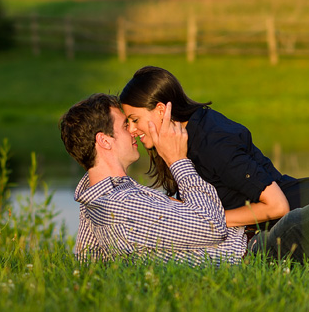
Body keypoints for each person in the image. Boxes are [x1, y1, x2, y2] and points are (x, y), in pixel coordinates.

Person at [118, 66, 309, 265]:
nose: (131, 129)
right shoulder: (180, 141)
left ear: (161, 110)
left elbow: (277, 206)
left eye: (134, 119)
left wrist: (206, 220)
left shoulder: (211, 142)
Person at [60, 93, 246, 265]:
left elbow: (87, 262)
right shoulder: (122, 203)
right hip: (245, 252)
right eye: (125, 126)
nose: (133, 131)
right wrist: (178, 160)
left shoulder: (93, 198)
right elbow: (213, 227)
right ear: (104, 141)